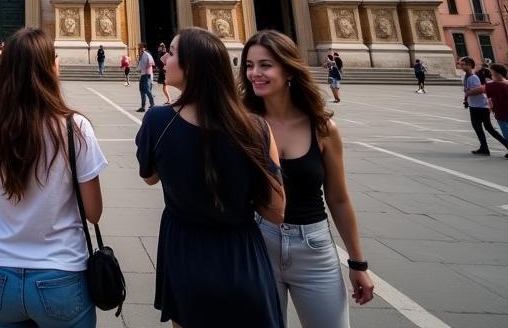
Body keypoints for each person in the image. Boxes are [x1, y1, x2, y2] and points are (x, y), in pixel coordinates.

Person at [136, 28, 286, 328]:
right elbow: (276, 210)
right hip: (241, 255)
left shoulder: (157, 121)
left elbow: (149, 177)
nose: (165, 57)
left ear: (194, 65)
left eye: (173, 52)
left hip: (184, 254)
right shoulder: (255, 127)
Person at [0, 28, 107, 328]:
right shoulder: (76, 127)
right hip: (62, 276)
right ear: (49, 69)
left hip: (0, 278)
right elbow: (94, 213)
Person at [242, 30, 375, 325]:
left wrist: (358, 263)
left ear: (289, 69)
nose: (255, 74)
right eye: (249, 66)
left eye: (265, 65)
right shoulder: (243, 124)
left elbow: (339, 199)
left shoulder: (323, 128)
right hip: (258, 242)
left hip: (313, 248)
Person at [459, 57, 508, 156]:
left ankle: (491, 146)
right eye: (461, 64)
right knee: (481, 127)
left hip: (480, 106)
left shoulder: (474, 77)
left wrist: (467, 92)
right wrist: (466, 99)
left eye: (463, 64)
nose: (461, 66)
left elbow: (479, 91)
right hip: (476, 106)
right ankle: (484, 147)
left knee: (489, 128)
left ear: (469, 65)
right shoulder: (467, 76)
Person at [473, 62, 508, 144]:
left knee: (506, 133)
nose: (490, 74)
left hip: (501, 113)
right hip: (501, 112)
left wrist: (467, 92)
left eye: (491, 72)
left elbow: (478, 90)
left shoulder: (493, 85)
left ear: (497, 73)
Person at [136, 42, 156, 112]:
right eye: (138, 47)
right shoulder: (141, 55)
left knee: (147, 90)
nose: (138, 48)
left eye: (140, 47)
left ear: (143, 47)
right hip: (143, 74)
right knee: (142, 91)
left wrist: (147, 72)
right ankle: (143, 107)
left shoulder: (147, 54)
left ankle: (152, 103)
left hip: (147, 75)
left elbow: (151, 63)